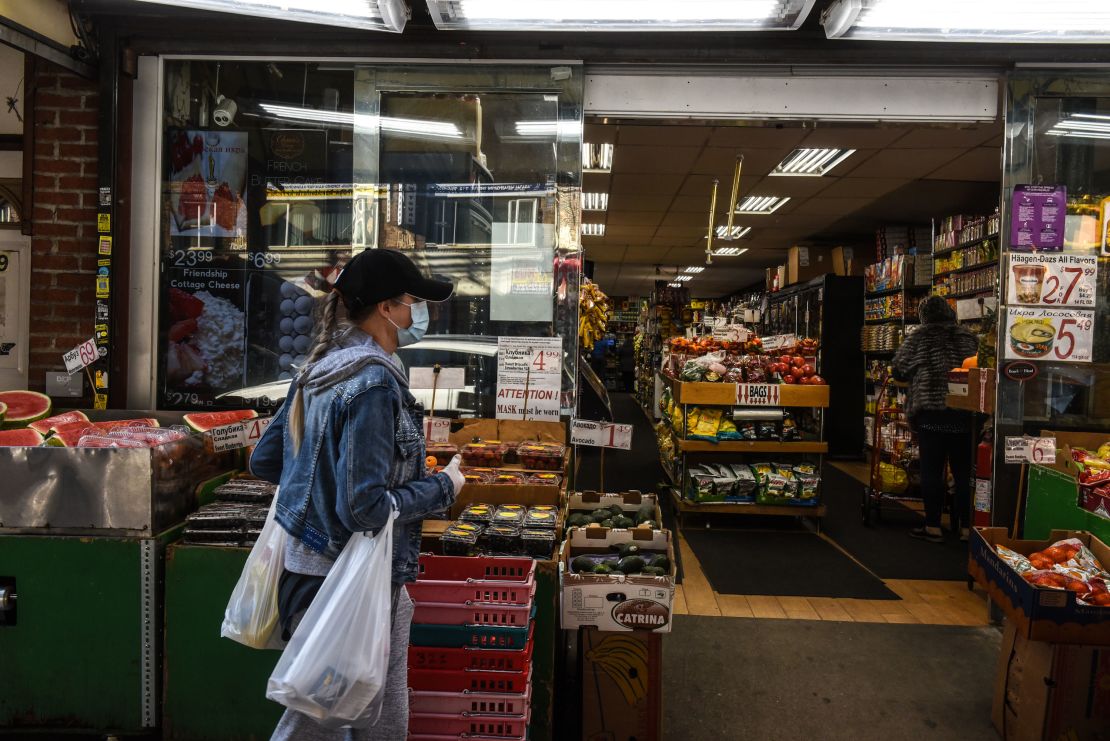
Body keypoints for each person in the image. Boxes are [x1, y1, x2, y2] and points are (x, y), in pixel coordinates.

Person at [249, 248, 466, 741]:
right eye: (412, 301)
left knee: (346, 718)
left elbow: (265, 460)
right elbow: (364, 507)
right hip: (347, 579)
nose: (418, 314)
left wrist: (319, 477)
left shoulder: (318, 370)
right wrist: (443, 486)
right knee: (334, 723)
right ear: (387, 309)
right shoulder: (372, 384)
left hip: (307, 571)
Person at [892, 295, 979, 544]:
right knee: (964, 473)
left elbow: (899, 368)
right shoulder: (968, 337)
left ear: (924, 316)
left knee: (932, 470)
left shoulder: (919, 337)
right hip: (964, 414)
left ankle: (932, 526)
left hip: (931, 413)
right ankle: (965, 528)